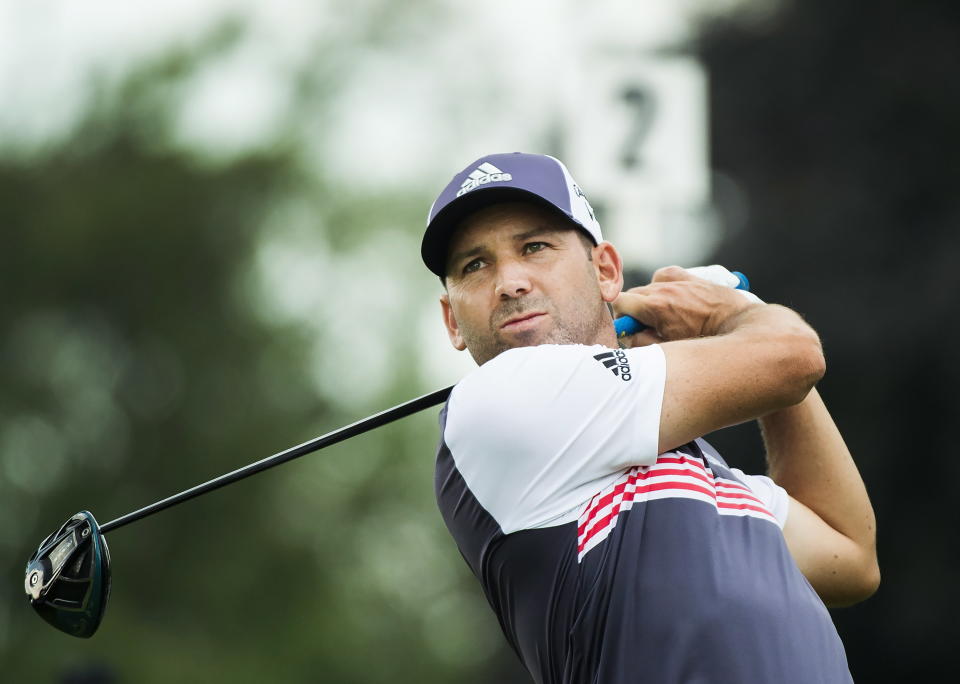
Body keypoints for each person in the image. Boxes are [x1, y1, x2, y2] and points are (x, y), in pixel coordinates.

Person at [421, 152, 879, 683]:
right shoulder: (498, 401)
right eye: (475, 265)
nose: (510, 282)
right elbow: (796, 357)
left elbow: (849, 554)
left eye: (535, 247)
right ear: (453, 320)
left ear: (606, 272)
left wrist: (742, 343)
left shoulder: (701, 472)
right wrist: (727, 314)